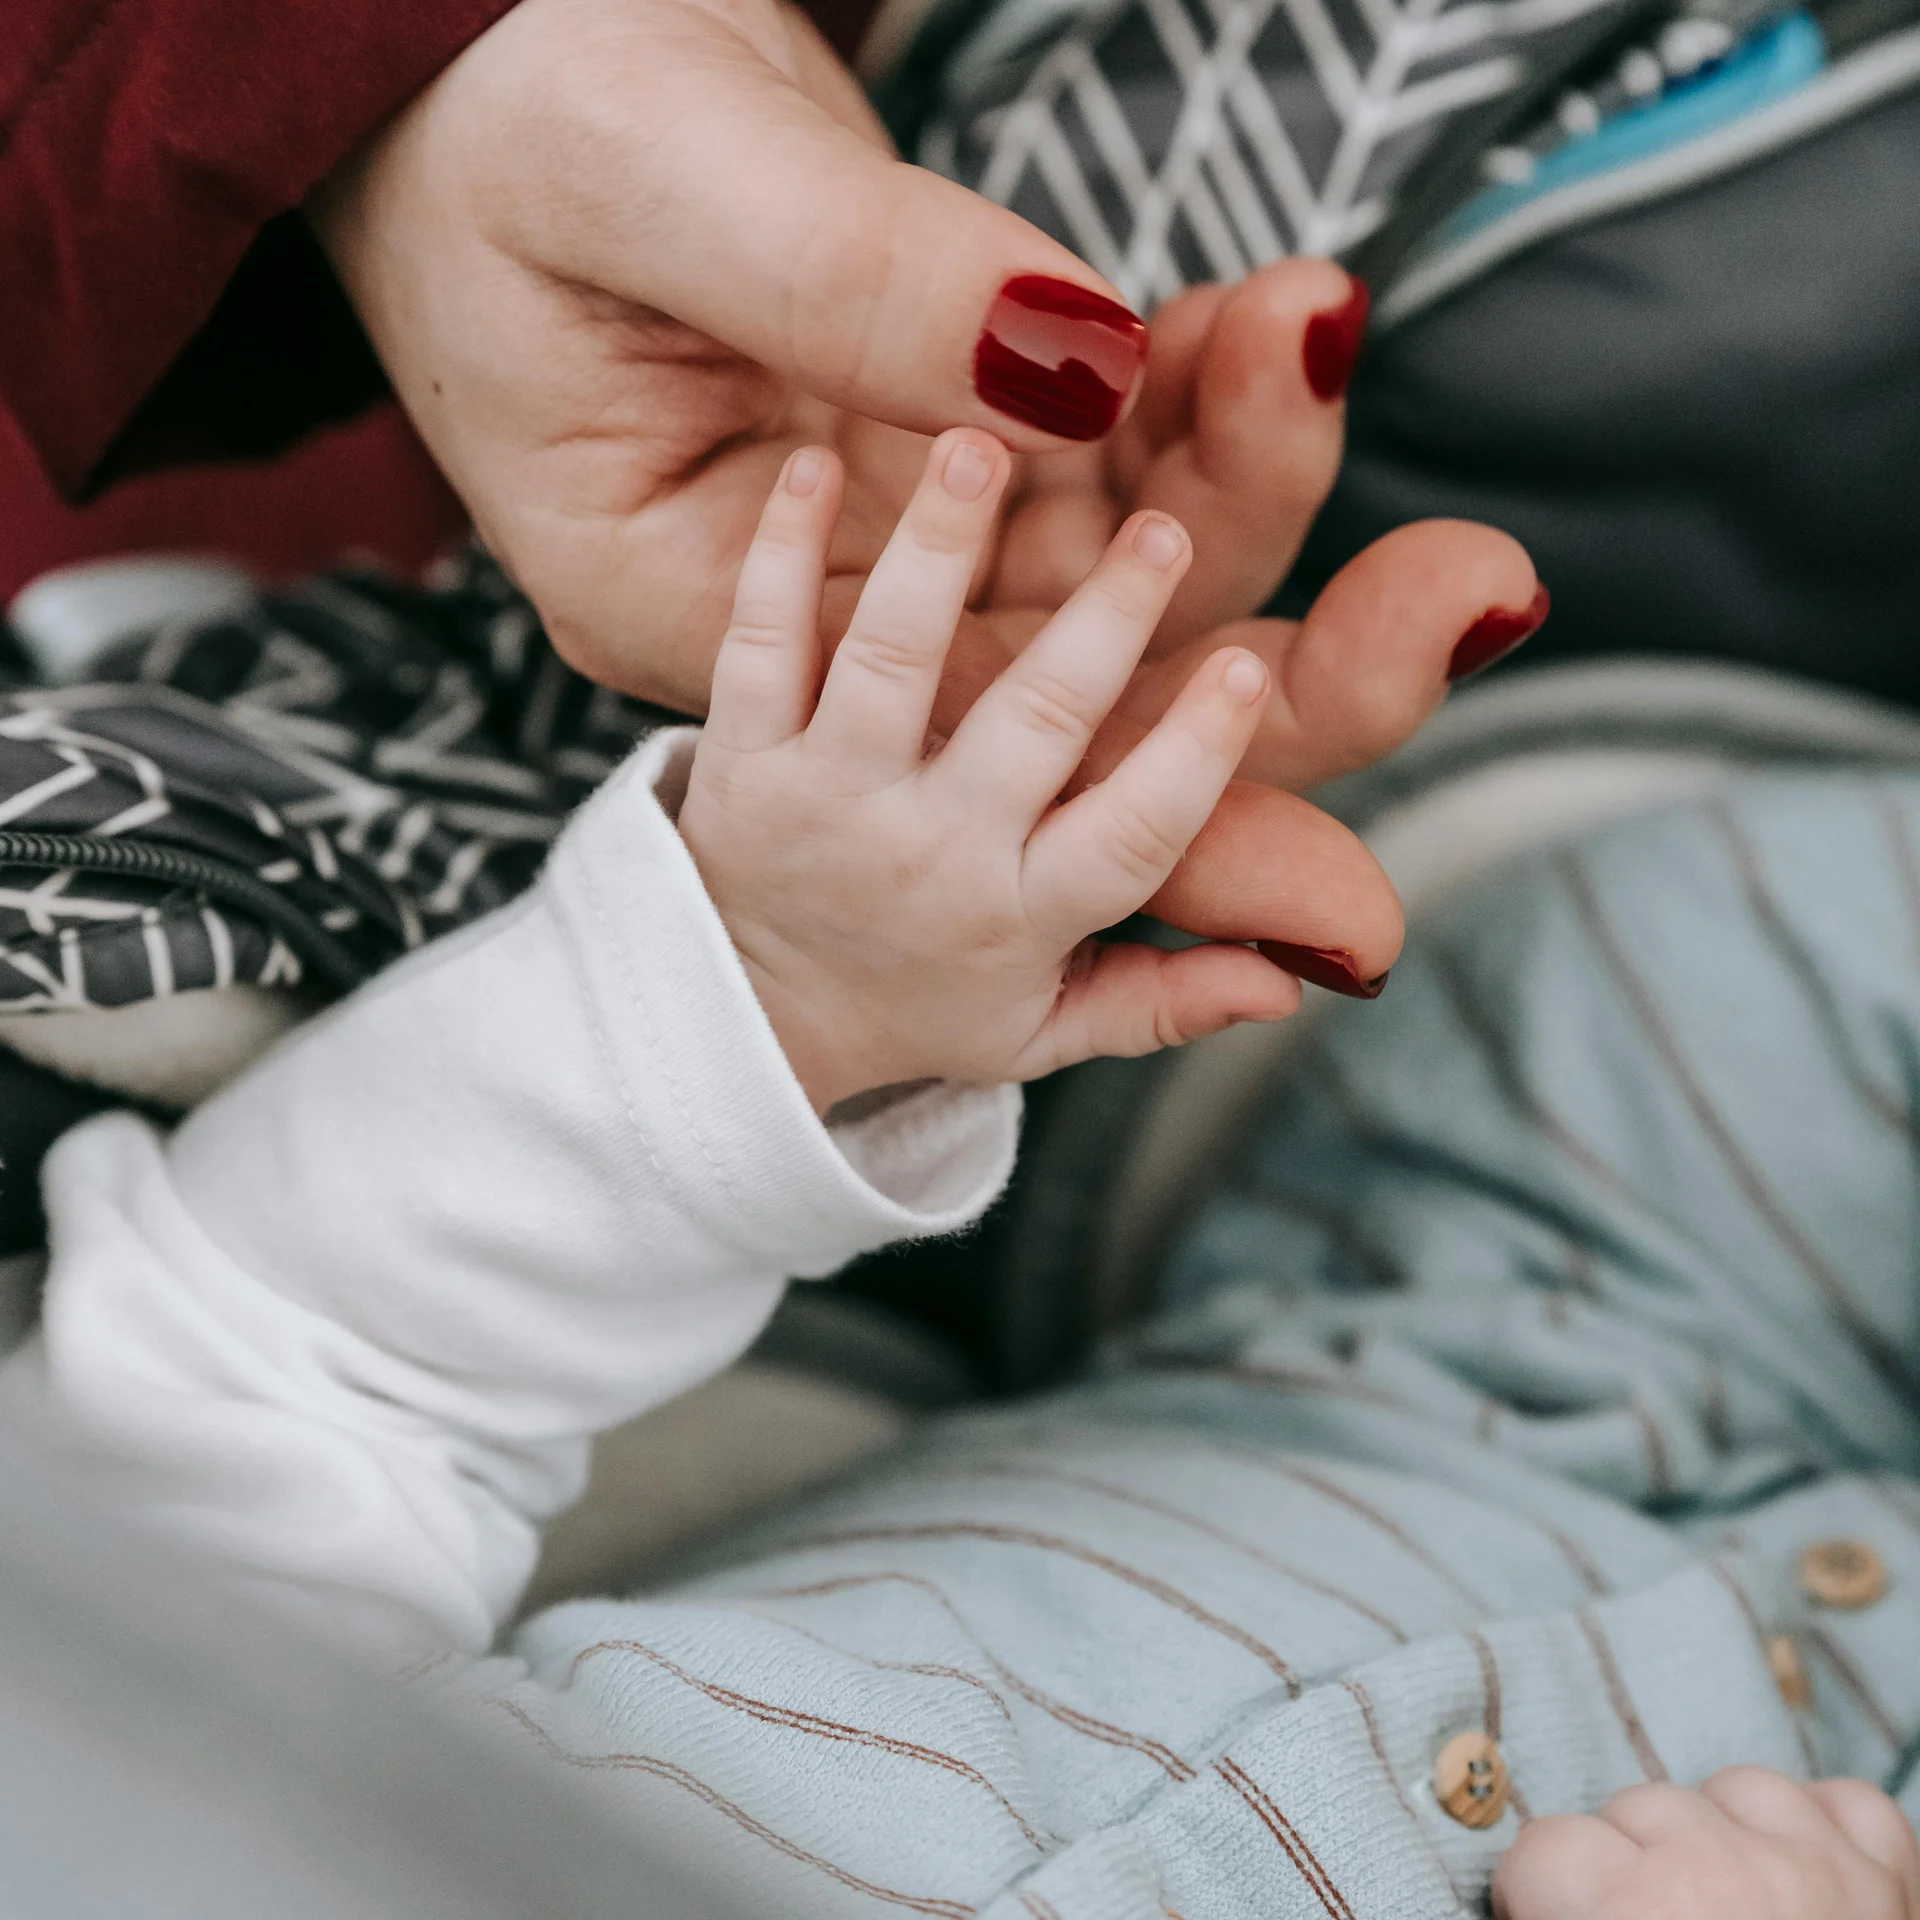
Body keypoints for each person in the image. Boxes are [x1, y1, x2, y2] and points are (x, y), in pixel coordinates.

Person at [5, 427, 1917, 1918]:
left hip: (1471, 1368)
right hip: (1836, 1771)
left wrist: (773, 993)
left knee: (1712, 972)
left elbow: (286, 1388)